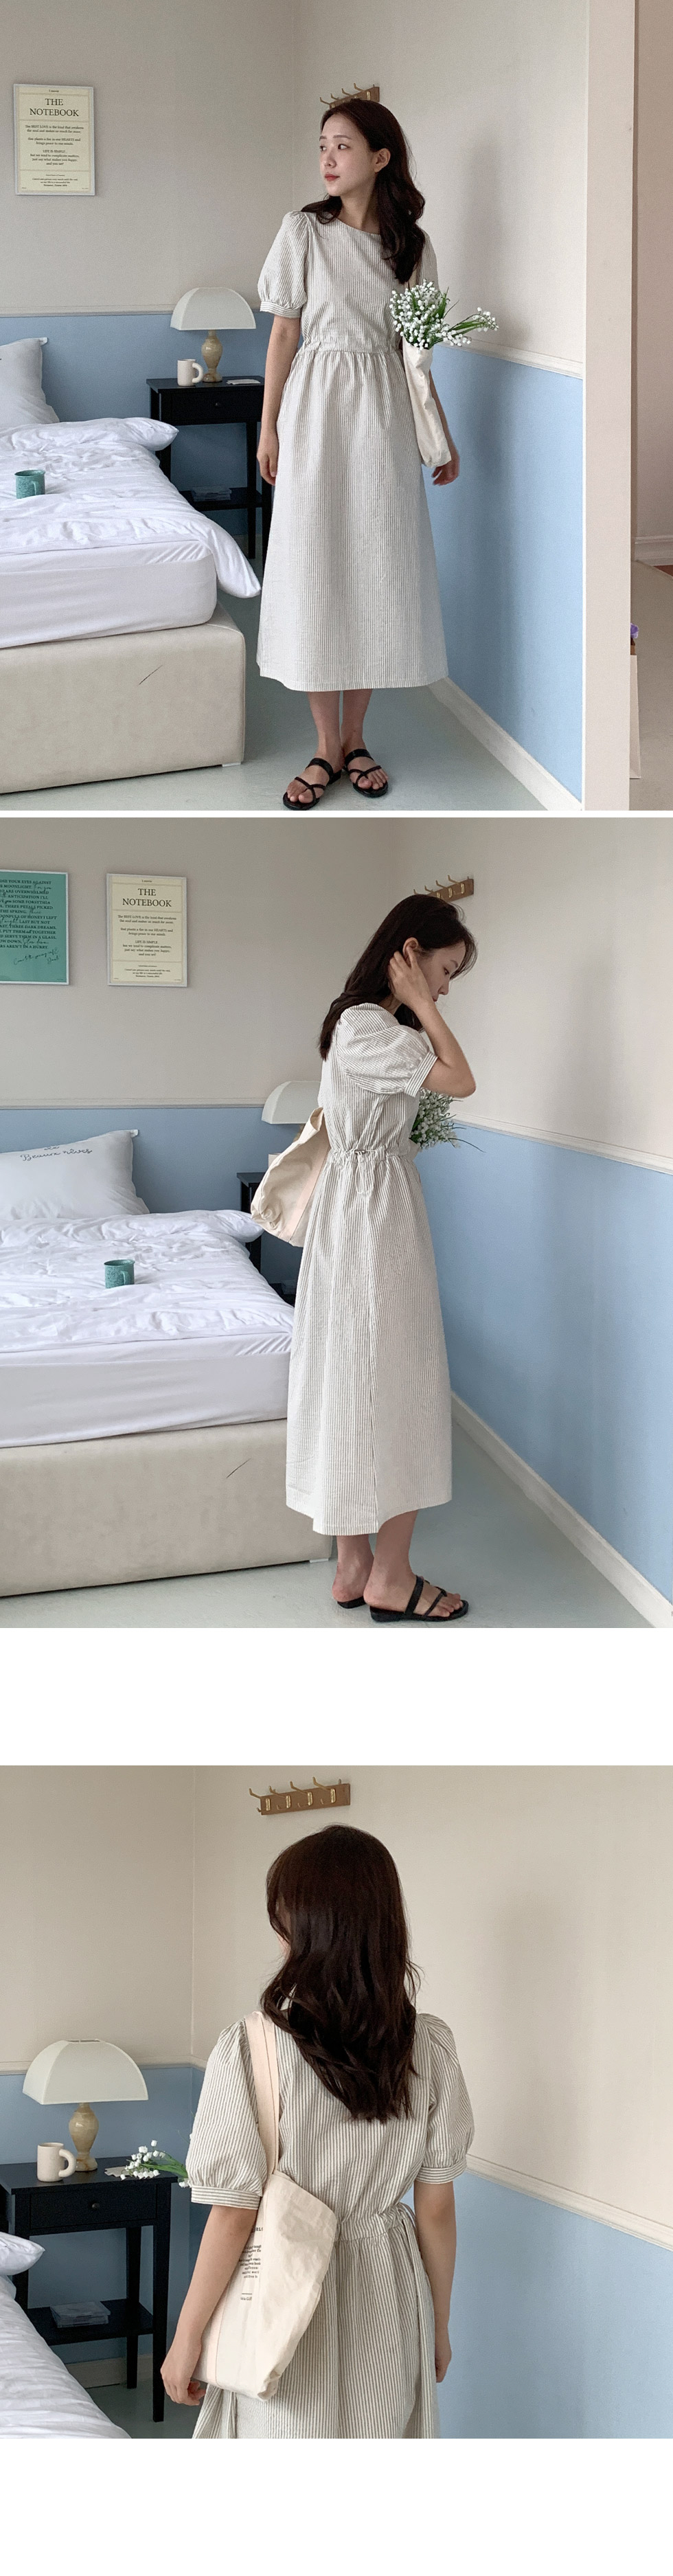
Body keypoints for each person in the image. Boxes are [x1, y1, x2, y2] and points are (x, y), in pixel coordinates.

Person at [161, 1824, 474, 2438]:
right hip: (390, 2287)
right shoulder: (430, 2046)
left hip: (283, 2291)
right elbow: (435, 2207)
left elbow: (234, 2214)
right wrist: (437, 2323)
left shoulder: (251, 2048)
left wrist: (187, 2335)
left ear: (305, 1925)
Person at [256, 96, 459, 809]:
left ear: (379, 157)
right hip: (315, 407)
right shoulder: (303, 231)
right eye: (322, 146)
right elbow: (284, 333)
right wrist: (268, 426)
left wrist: (439, 434)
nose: (327, 158)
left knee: (376, 565)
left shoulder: (411, 247)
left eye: (342, 146)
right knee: (315, 562)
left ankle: (355, 737)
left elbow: (416, 355)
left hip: (381, 414)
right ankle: (323, 746)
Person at [286, 894, 477, 1623]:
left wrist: (415, 1004)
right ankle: (390, 1578)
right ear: (409, 954)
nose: (446, 988)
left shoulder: (360, 1027)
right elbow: (460, 1079)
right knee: (398, 1380)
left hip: (360, 1210)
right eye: (445, 970)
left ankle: (354, 1566)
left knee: (353, 1373)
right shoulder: (370, 1026)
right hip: (373, 1218)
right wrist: (419, 1004)